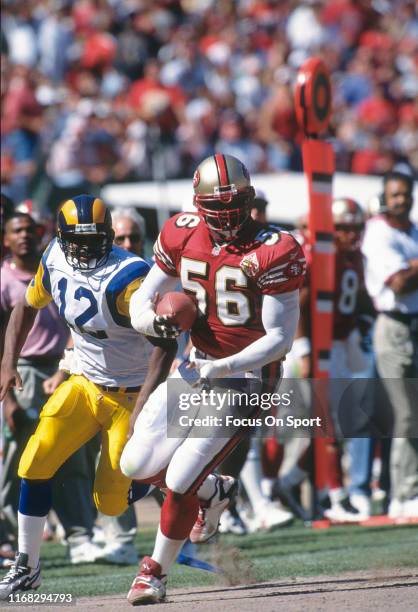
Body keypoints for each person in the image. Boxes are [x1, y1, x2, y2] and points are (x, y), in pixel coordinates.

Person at [121, 153, 305, 605]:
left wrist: (219, 367)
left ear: (249, 199)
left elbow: (280, 339)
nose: (227, 217)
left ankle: (154, 573)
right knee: (135, 466)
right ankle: (215, 489)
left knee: (181, 476)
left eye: (235, 204)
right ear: (198, 204)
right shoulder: (180, 231)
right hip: (196, 365)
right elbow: (143, 300)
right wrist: (155, 323)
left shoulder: (276, 248)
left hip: (246, 377)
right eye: (216, 207)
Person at [0, 195, 177, 598]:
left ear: (109, 236)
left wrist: (145, 404)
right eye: (75, 240)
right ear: (61, 237)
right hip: (85, 383)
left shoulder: (129, 279)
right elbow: (25, 308)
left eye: (93, 239)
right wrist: (8, 362)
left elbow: (166, 346)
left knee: (111, 503)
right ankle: (26, 567)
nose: (83, 248)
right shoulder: (54, 258)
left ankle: (188, 481)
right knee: (34, 460)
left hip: (129, 396)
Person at [0, 211, 107, 565]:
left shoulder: (60, 269)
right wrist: (10, 396)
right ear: (6, 240)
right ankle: (9, 538)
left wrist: (66, 368)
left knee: (73, 454)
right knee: (21, 456)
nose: (25, 237)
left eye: (31, 230)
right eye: (17, 231)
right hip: (25, 371)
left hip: (64, 366)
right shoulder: (4, 280)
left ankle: (80, 535)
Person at [362, 171, 418, 519]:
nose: (401, 199)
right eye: (395, 194)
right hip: (394, 326)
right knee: (406, 413)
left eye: (406, 193)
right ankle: (402, 493)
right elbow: (398, 284)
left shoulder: (411, 231)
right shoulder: (379, 232)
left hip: (413, 325)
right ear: (385, 197)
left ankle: (408, 487)